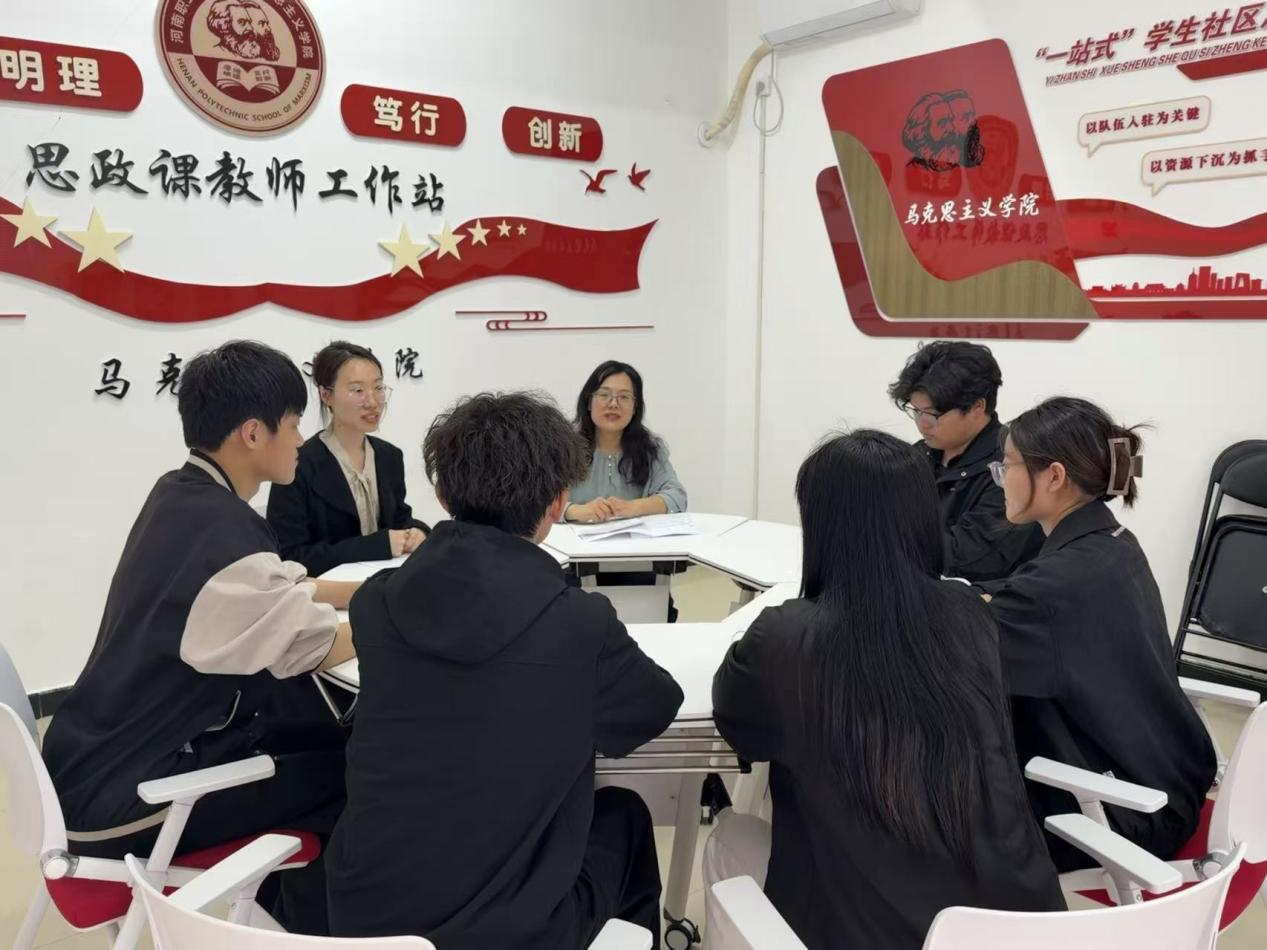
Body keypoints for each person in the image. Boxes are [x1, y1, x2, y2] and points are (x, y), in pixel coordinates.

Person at [326, 391, 684, 949]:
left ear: (443, 496)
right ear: (557, 503)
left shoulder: (377, 603)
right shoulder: (578, 622)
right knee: (624, 816)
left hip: (364, 921)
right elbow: (651, 710)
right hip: (514, 933)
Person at [41, 341, 359, 934]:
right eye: (294, 424)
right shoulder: (227, 538)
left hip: (85, 758)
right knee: (353, 774)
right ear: (253, 433)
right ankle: (306, 934)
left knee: (324, 736)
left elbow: (279, 587)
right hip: (126, 796)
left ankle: (282, 916)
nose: (301, 439)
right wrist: (406, 608)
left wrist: (365, 592)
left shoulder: (182, 496)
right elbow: (312, 644)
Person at [704, 430, 1062, 950]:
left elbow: (739, 728)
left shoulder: (786, 636)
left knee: (730, 837)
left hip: (869, 933)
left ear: (822, 525)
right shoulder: (970, 615)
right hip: (1020, 930)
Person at [986, 397, 1216, 870]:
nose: (1001, 479)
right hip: (1173, 781)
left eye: (1006, 465)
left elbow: (970, 650)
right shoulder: (1115, 546)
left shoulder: (1051, 588)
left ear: (1053, 476)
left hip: (1122, 819)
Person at [267, 341, 429, 577]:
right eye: (358, 390)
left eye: (378, 388)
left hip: (386, 587)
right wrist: (378, 545)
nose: (372, 402)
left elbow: (401, 519)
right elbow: (290, 556)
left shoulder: (389, 457)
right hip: (328, 594)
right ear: (326, 395)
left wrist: (417, 532)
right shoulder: (298, 464)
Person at [888, 341, 1043, 583]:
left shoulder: (1012, 469)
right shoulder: (916, 457)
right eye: (916, 411)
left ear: (977, 407)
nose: (922, 424)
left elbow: (970, 558)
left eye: (932, 414)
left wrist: (888, 534)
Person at [562, 360, 686, 525]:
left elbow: (677, 496)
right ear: (589, 402)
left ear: (635, 407)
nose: (614, 404)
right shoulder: (563, 447)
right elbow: (538, 503)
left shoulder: (650, 449)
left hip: (633, 540)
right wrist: (575, 511)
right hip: (571, 539)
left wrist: (633, 507)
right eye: (604, 395)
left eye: (624, 397)